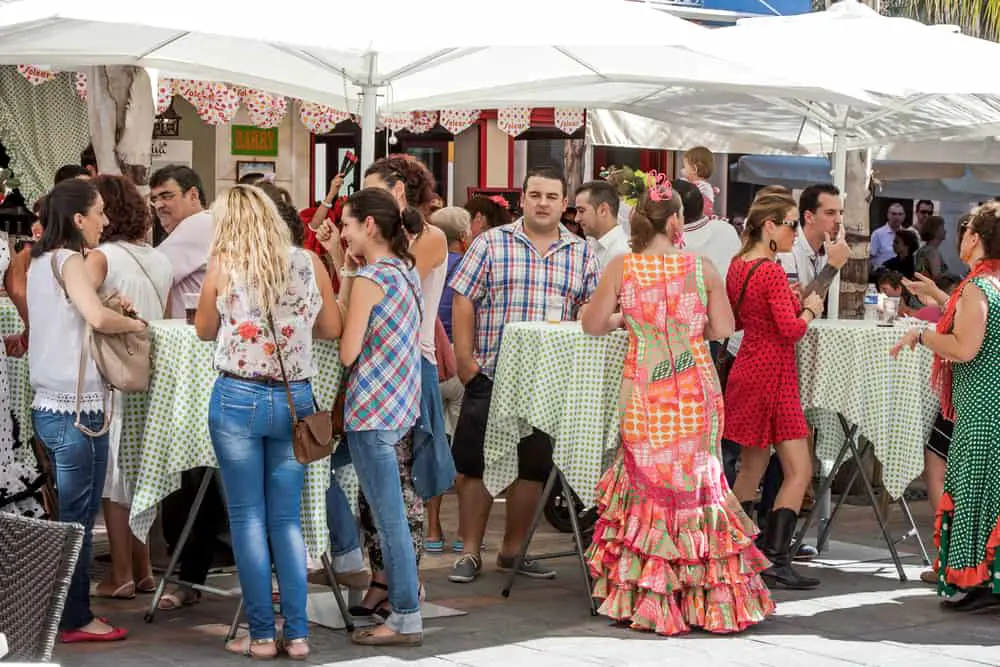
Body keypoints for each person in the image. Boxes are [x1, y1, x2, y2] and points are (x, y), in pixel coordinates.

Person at [581, 175, 773, 635]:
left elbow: (591, 324)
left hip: (644, 388)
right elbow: (722, 328)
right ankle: (708, 597)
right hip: (694, 387)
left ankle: (648, 596)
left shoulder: (622, 268)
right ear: (675, 221)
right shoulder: (701, 266)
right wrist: (688, 327)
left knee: (647, 484)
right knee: (698, 484)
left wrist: (627, 317)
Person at [195, 185, 341, 658]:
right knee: (286, 519)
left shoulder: (224, 266)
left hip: (236, 394)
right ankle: (296, 635)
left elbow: (202, 330)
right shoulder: (309, 263)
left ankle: (260, 635)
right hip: (294, 398)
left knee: (246, 518)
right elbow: (331, 328)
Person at [448, 166, 599, 584]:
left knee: (533, 469)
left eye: (552, 196)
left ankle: (514, 551)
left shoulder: (582, 252)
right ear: (523, 199)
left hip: (548, 381)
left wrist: (586, 313)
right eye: (535, 195)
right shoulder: (492, 244)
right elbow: (463, 299)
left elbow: (590, 305)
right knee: (475, 466)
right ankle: (471, 552)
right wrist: (465, 359)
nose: (543, 203)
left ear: (565, 204)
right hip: (492, 371)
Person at [28, 178, 146, 643]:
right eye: (99, 212)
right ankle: (74, 617)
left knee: (71, 515)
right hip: (77, 410)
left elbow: (76, 316)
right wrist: (134, 322)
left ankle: (62, 610)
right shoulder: (71, 260)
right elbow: (95, 319)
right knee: (76, 520)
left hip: (53, 405)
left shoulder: (39, 262)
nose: (106, 220)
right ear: (78, 220)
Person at [894, 207, 1000, 608]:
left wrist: (921, 336)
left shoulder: (979, 287)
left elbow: (964, 346)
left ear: (975, 238)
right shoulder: (990, 282)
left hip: (982, 409)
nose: (963, 234)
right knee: (990, 494)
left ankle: (977, 583)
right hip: (992, 403)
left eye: (968, 229)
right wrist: (939, 298)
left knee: (975, 491)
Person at [336, 187, 425, 646]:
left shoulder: (373, 278)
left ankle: (406, 615)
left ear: (369, 225)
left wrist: (346, 280)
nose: (344, 234)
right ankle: (351, 560)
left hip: (370, 409)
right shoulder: (404, 271)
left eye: (348, 225)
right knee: (386, 513)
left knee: (390, 520)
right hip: (398, 406)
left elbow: (348, 351)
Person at [724, 191, 824, 590]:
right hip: (774, 373)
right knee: (800, 470)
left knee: (751, 468)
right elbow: (791, 329)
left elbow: (740, 317)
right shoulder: (769, 270)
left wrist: (791, 302)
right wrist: (810, 308)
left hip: (747, 365)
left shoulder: (737, 265)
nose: (794, 232)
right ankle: (777, 560)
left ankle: (733, 549)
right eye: (790, 224)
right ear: (769, 226)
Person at [87, 175, 172, 600]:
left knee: (114, 481)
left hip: (113, 375)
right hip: (150, 375)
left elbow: (81, 311)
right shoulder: (158, 259)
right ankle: (142, 572)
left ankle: (119, 573)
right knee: (141, 475)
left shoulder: (100, 257)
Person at [148, 164, 229, 610]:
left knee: (189, 470)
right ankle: (194, 572)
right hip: (212, 369)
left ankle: (188, 575)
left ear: (195, 195)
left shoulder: (198, 225)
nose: (159, 204)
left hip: (196, 372)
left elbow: (156, 272)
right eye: (154, 196)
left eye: (167, 195)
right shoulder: (201, 227)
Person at [574, 180, 629, 271]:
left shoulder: (622, 252)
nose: (576, 218)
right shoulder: (592, 244)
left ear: (603, 210)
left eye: (581, 211)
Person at [682, 146, 717, 218]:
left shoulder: (700, 187)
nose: (682, 170)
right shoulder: (702, 186)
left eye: (685, 167)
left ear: (694, 169)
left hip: (698, 222)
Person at [914, 215, 948, 282]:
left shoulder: (922, 250)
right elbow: (937, 276)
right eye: (942, 227)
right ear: (935, 230)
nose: (945, 231)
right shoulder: (932, 251)